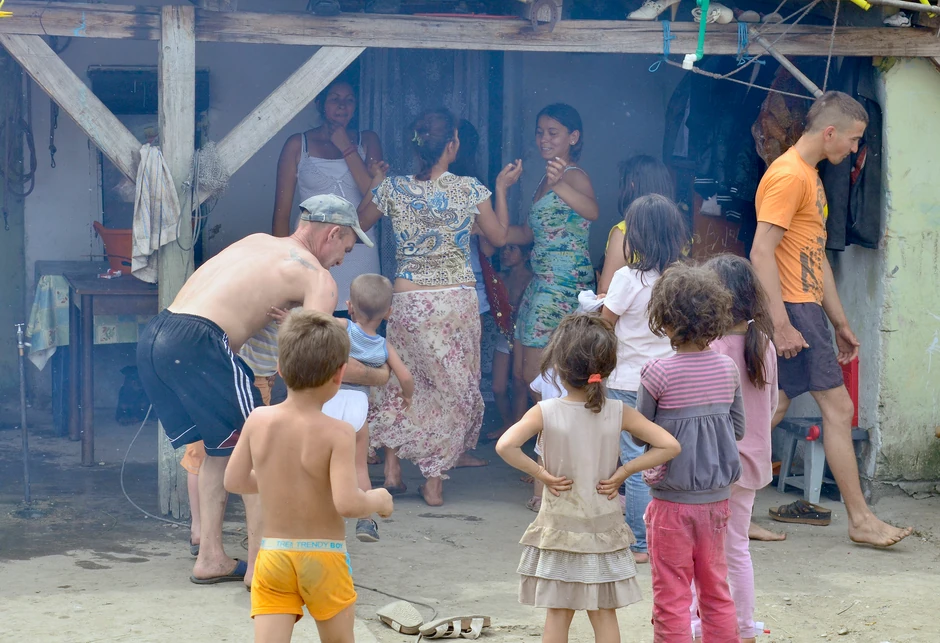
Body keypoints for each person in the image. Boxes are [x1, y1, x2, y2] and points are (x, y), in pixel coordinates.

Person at [137, 194, 389, 588]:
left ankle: (211, 558)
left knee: (219, 451)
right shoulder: (316, 277)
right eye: (346, 248)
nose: (342, 259)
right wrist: (375, 376)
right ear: (333, 233)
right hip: (203, 344)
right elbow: (312, 358)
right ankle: (260, 570)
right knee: (260, 451)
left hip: (157, 336)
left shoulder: (258, 241)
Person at [749, 90, 912, 547]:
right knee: (835, 409)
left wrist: (838, 320)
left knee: (770, 408)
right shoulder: (787, 177)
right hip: (791, 311)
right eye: (855, 139)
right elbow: (760, 253)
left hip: (804, 310)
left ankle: (729, 509)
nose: (856, 150)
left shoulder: (811, 177)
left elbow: (814, 258)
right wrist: (781, 324)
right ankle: (860, 520)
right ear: (830, 132)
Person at [359, 108, 523, 506]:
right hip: (454, 302)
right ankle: (433, 481)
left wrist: (376, 182)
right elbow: (499, 237)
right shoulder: (469, 189)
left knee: (400, 379)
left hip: (409, 301)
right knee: (452, 389)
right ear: (451, 145)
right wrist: (501, 189)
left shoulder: (394, 189)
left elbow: (360, 222)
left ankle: (394, 469)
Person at [495, 314, 680, 643]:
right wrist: (624, 471)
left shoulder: (546, 410)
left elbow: (505, 445)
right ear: (606, 368)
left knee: (558, 612)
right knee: (603, 611)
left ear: (558, 365)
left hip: (559, 528)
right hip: (603, 528)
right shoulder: (619, 411)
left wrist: (542, 475)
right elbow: (670, 445)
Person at [223, 309, 394, 643]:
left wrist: (278, 480)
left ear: (281, 369)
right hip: (324, 556)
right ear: (340, 374)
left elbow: (234, 481)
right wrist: (380, 499)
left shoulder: (259, 420)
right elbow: (347, 503)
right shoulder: (339, 432)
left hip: (272, 555)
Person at [637, 263, 744, 641]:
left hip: (670, 503)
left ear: (664, 321)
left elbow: (640, 437)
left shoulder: (657, 373)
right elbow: (738, 430)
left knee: (671, 593)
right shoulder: (728, 369)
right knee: (716, 589)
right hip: (717, 502)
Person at [685, 254, 779, 643]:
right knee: (735, 547)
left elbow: (705, 413)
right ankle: (742, 626)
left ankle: (700, 623)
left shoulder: (715, 349)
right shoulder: (765, 345)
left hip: (715, 465)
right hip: (752, 462)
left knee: (702, 550)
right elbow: (772, 405)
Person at [599, 194, 688, 564]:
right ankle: (669, 534)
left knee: (635, 460)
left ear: (635, 237)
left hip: (628, 381)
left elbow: (605, 324)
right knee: (666, 455)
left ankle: (640, 541)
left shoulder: (626, 278)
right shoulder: (682, 279)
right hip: (671, 380)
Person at [508, 103, 599, 407]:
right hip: (540, 283)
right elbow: (526, 233)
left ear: (573, 137)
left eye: (552, 133)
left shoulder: (573, 175)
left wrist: (559, 184)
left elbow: (592, 211)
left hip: (562, 285)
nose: (543, 139)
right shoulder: (544, 178)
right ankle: (549, 444)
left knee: (539, 378)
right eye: (539, 132)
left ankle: (553, 447)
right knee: (523, 374)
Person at [272, 76, 383, 318]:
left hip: (360, 249)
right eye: (334, 99)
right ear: (320, 103)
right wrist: (283, 264)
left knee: (361, 327)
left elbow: (374, 195)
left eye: (349, 100)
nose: (342, 106)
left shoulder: (368, 140)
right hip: (314, 250)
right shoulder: (297, 144)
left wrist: (346, 147)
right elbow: (281, 215)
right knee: (317, 325)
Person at [596, 155, 675, 295]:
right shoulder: (681, 232)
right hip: (668, 313)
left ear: (632, 185)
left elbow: (606, 289)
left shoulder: (625, 232)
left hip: (633, 315)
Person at [487, 242, 534, 441]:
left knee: (520, 382)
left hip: (525, 336)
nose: (505, 252)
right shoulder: (500, 279)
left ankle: (521, 429)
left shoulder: (534, 280)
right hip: (505, 334)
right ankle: (508, 423)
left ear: (526, 255)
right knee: (498, 387)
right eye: (504, 249)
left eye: (512, 248)